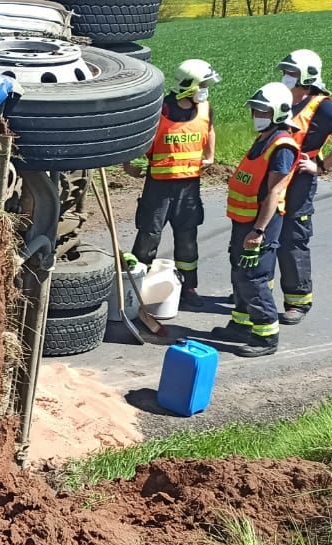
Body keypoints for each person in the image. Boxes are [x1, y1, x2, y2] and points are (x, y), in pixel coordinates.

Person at [123, 59, 219, 310]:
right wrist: (127, 164)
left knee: (187, 239)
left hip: (189, 187)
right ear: (188, 85)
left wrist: (210, 155)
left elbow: (209, 129)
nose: (206, 90)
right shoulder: (160, 110)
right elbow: (137, 135)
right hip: (159, 187)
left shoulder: (205, 108)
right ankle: (136, 286)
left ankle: (188, 287)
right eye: (203, 85)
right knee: (149, 236)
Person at [276, 49, 332, 325]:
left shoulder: (322, 106)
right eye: (285, 71)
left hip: (300, 179)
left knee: (293, 238)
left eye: (290, 72)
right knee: (266, 233)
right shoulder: (282, 99)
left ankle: (297, 301)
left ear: (306, 76)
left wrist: (321, 167)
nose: (285, 76)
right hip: (275, 176)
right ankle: (257, 293)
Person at [219, 82, 300, 358]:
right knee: (239, 272)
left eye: (263, 111)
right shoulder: (265, 138)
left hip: (259, 223)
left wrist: (258, 230)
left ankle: (266, 336)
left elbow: (274, 192)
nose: (257, 115)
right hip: (243, 221)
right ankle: (242, 325)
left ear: (279, 113)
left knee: (254, 278)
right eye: (255, 110)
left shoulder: (282, 146)